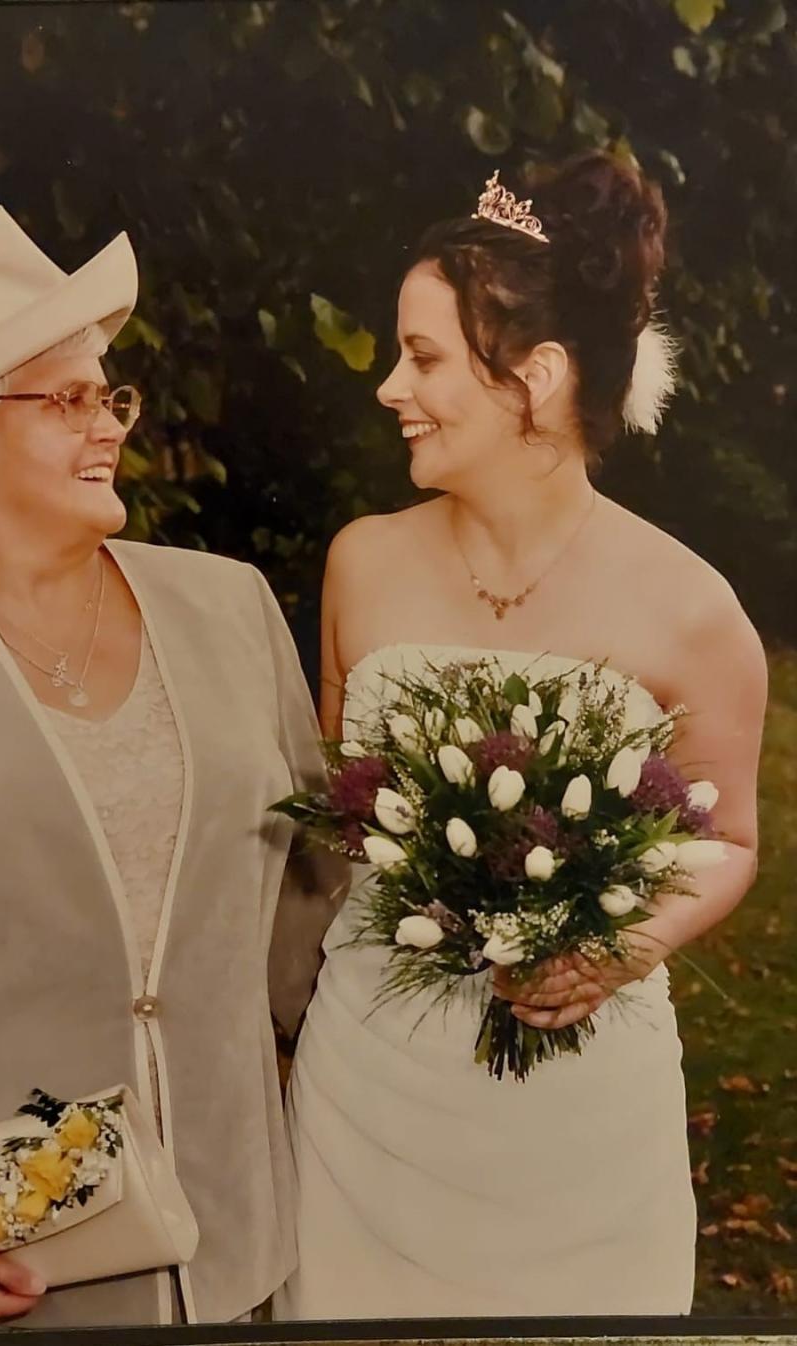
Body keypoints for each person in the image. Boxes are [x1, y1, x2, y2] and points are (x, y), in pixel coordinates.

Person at [275, 152, 767, 1319]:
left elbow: (731, 838)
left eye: (425, 356)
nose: (390, 385)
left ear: (536, 379)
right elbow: (336, 827)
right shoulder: (361, 560)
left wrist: (620, 942)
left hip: (582, 1112)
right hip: (366, 1094)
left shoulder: (693, 610)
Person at [0, 206, 345, 1331]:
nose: (108, 423)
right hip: (2, 1266)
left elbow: (319, 899)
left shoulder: (229, 607)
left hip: (237, 1250)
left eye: (108, 394)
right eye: (67, 398)